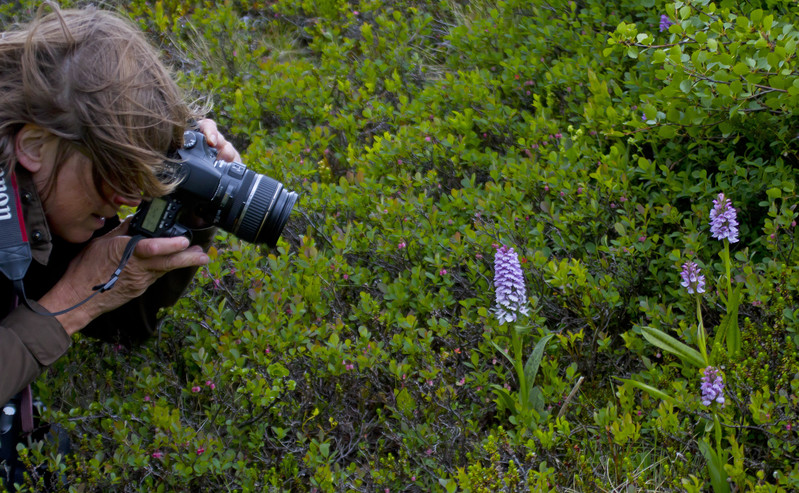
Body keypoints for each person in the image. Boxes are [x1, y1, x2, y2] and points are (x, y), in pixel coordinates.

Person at [0, 1, 240, 465]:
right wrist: (71, 303)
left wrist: (188, 209)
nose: (123, 201)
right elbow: (79, 305)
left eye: (134, 182)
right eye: (110, 177)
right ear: (33, 144)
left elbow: (122, 329)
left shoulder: (45, 183)